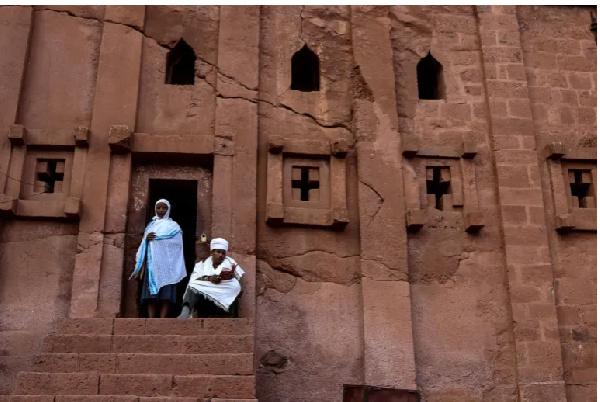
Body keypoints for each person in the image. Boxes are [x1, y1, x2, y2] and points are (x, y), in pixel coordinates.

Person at [130, 199, 187, 318]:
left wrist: (160, 239)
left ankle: (162, 319)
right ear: (155, 209)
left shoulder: (173, 226)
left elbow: (177, 243)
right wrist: (147, 240)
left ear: (168, 210)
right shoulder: (151, 225)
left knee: (166, 294)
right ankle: (151, 319)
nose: (161, 210)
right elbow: (144, 243)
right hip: (153, 264)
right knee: (151, 294)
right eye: (158, 208)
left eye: (164, 208)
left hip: (168, 264)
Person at [178, 237, 244, 318]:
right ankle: (185, 311)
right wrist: (209, 279)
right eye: (218, 252)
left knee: (234, 286)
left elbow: (240, 285)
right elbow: (194, 280)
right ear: (212, 252)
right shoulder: (201, 265)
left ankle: (233, 319)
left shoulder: (231, 264)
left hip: (225, 299)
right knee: (193, 286)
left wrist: (230, 281)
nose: (221, 255)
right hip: (207, 301)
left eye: (223, 253)